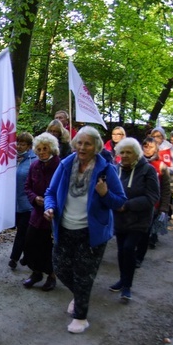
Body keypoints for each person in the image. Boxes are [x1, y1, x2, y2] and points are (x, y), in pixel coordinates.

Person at [44, 127, 127, 333]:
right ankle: (81, 295)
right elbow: (50, 192)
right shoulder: (65, 165)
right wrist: (49, 207)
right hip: (64, 229)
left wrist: (105, 193)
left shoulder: (106, 170)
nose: (82, 147)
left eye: (87, 143)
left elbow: (120, 202)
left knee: (83, 275)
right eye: (79, 143)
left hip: (91, 233)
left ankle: (81, 318)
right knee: (61, 268)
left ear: (96, 147)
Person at [109, 138, 159, 301]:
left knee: (129, 248)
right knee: (121, 250)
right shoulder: (115, 170)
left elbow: (152, 196)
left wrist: (127, 205)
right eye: (122, 152)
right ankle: (123, 280)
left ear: (136, 153)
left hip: (139, 219)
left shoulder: (148, 170)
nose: (124, 155)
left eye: (128, 152)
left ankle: (127, 287)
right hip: (119, 218)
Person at [22, 133, 61, 291]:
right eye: (38, 149)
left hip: (53, 214)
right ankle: (36, 272)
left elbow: (63, 189)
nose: (42, 151)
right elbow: (27, 187)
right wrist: (34, 198)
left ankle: (51, 275)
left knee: (48, 247)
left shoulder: (60, 165)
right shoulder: (34, 165)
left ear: (52, 148)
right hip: (37, 213)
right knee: (30, 244)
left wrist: (52, 203)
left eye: (45, 148)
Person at [135, 138, 171, 265]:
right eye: (145, 146)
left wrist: (164, 208)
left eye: (151, 146)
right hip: (135, 203)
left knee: (145, 233)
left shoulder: (161, 166)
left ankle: (139, 257)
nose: (147, 149)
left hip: (152, 205)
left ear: (156, 148)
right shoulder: (135, 163)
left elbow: (166, 189)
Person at [9, 132, 36, 269]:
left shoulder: (34, 160)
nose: (19, 146)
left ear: (29, 146)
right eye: (17, 143)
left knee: (22, 232)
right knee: (23, 232)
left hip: (28, 204)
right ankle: (27, 256)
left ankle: (14, 258)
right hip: (14, 204)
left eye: (23, 144)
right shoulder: (12, 158)